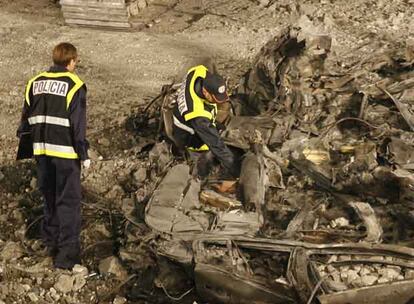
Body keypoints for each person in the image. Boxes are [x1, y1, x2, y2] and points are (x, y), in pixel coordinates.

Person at [17, 42, 90, 269]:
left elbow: (25, 119)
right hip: (66, 153)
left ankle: (49, 240)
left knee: (49, 196)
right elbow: (77, 124)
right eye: (75, 62)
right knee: (68, 201)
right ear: (71, 61)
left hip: (41, 150)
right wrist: (84, 153)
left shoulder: (35, 82)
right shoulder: (75, 84)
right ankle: (66, 256)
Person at [171, 64, 237, 177]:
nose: (218, 102)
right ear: (205, 92)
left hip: (188, 115)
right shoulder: (198, 114)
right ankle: (196, 169)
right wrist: (235, 168)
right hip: (188, 136)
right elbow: (216, 145)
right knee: (205, 161)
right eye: (215, 98)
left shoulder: (198, 71)